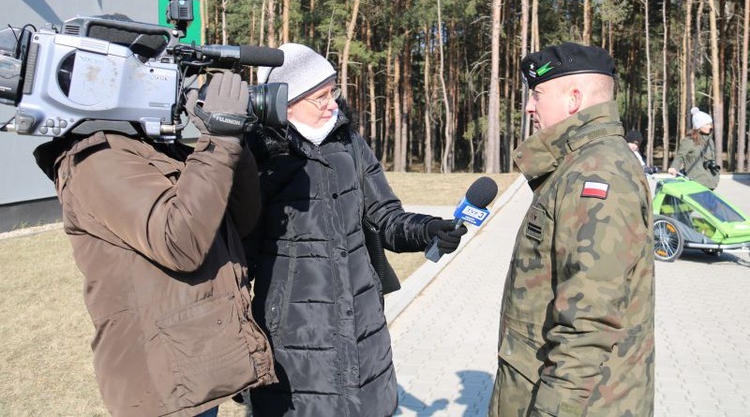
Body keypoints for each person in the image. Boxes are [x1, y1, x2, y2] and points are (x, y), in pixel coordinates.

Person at [32, 72, 277, 416]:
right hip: (160, 387)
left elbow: (241, 220)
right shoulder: (96, 160)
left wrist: (235, 139)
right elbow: (180, 242)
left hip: (193, 373)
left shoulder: (158, 147)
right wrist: (218, 138)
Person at [244, 43, 468, 417]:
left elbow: (386, 215)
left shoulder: (349, 141)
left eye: (333, 91)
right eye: (321, 96)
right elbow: (238, 262)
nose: (332, 104)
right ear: (286, 103)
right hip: (294, 342)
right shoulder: (258, 155)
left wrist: (428, 229)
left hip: (363, 326)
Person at [488, 42, 655, 417]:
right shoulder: (576, 163)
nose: (530, 107)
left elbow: (588, 323)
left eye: (538, 95)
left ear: (574, 99)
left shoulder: (596, 173)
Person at [667, 107, 719, 190]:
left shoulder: (710, 141)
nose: (710, 126)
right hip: (696, 182)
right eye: (707, 124)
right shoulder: (689, 141)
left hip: (710, 182)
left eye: (710, 124)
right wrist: (674, 167)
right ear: (699, 126)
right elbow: (680, 156)